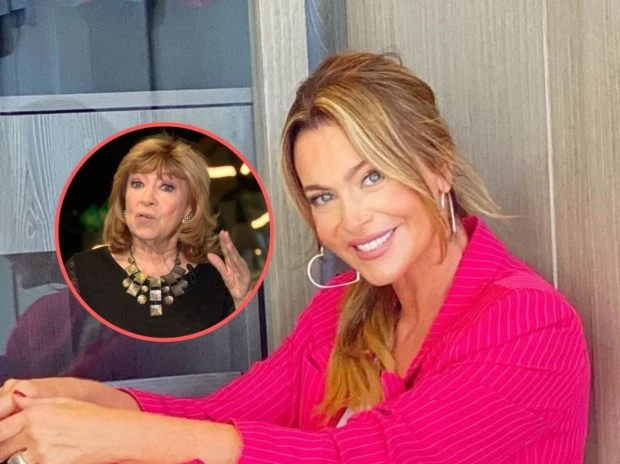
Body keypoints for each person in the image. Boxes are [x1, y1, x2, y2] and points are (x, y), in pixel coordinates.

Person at [0, 52, 589, 463]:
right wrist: (81, 401)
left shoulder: (531, 325)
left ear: (438, 168)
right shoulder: (346, 308)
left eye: (372, 176)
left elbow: (371, 457)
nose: (352, 220)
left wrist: (114, 437)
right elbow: (225, 416)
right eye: (324, 197)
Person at [64, 134, 251, 338]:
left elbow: (247, 352)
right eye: (137, 184)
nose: (147, 199)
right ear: (124, 199)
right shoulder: (83, 271)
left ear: (189, 209)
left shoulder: (218, 278)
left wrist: (242, 302)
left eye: (166, 187)